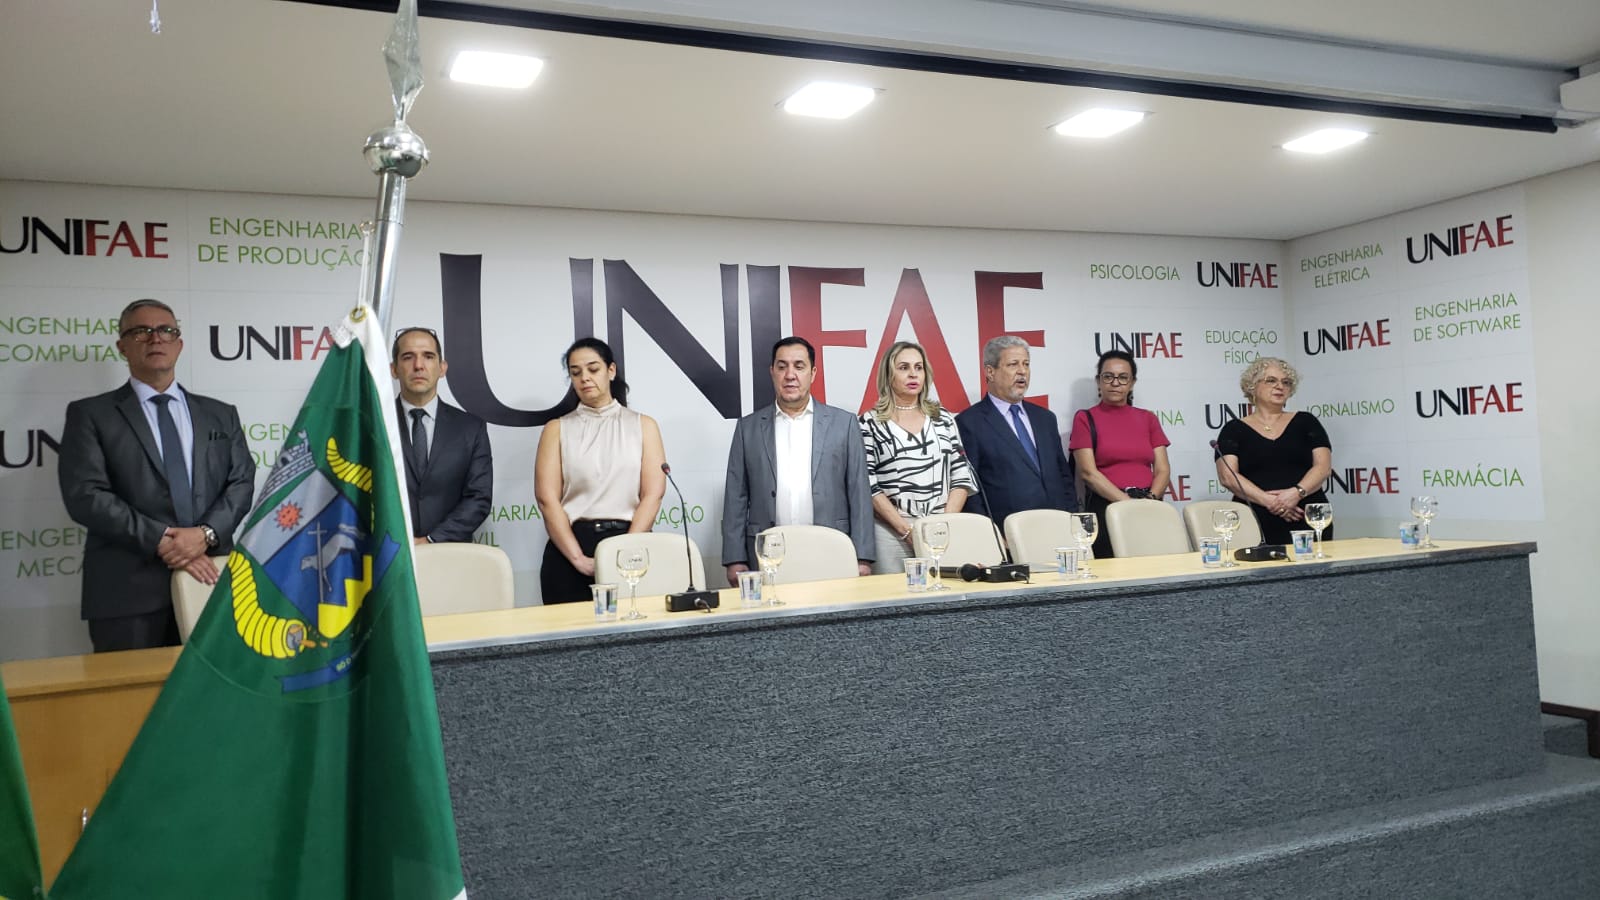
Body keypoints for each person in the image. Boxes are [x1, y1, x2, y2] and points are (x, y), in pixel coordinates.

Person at [58, 299, 256, 652]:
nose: (155, 338)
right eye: (141, 331)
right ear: (122, 345)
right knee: (133, 689)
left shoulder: (220, 414)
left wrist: (205, 535)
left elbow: (241, 482)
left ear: (179, 343)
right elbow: (85, 495)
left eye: (166, 330)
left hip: (210, 582)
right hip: (126, 593)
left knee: (211, 686)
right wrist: (165, 541)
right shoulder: (90, 414)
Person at [722, 336, 874, 585]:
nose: (790, 375)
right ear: (772, 372)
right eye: (782, 366)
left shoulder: (844, 424)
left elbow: (859, 492)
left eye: (799, 366)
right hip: (769, 554)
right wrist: (734, 559)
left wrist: (863, 557)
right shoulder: (747, 428)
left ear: (813, 373)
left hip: (832, 550)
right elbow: (735, 497)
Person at [534, 338, 666, 603]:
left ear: (611, 370)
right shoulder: (556, 429)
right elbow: (546, 499)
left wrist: (625, 551)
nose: (585, 378)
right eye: (575, 372)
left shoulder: (643, 425)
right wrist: (577, 558)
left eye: (593, 369)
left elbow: (653, 494)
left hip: (630, 541)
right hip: (570, 549)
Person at [858, 341, 977, 574]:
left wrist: (943, 525)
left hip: (941, 529)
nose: (913, 374)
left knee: (943, 591)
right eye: (903, 367)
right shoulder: (869, 422)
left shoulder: (943, 419)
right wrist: (906, 531)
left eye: (918, 367)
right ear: (888, 374)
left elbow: (961, 476)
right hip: (891, 532)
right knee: (894, 595)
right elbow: (868, 485)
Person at [954, 335, 1078, 533]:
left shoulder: (1045, 418)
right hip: (1009, 534)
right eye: (1013, 364)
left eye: (1026, 364)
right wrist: (990, 534)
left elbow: (1064, 477)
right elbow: (971, 490)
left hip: (1059, 528)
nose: (1022, 371)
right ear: (990, 372)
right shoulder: (969, 423)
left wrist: (1073, 520)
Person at [1213, 357, 1333, 546]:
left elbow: (1323, 467)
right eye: (1271, 380)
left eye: (1286, 382)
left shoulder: (1306, 421)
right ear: (1252, 386)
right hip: (1254, 517)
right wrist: (1271, 502)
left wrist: (1295, 494)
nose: (1280, 386)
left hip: (1306, 516)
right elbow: (1228, 477)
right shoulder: (1233, 429)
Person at [391, 327, 493, 545]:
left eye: (428, 356)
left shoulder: (470, 428)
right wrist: (398, 542)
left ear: (442, 368)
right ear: (394, 369)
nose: (418, 365)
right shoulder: (373, 425)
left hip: (451, 555)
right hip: (390, 553)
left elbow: (478, 498)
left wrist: (430, 540)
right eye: (408, 357)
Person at [1068, 350, 1171, 558]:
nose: (1115, 383)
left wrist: (1150, 501)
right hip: (1107, 509)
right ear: (1098, 381)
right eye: (1108, 376)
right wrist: (1127, 505)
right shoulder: (1085, 418)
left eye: (1123, 377)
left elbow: (1162, 469)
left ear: (1132, 383)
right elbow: (1088, 473)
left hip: (1149, 507)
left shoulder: (1148, 418)